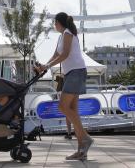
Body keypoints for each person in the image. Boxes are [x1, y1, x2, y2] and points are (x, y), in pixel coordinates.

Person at [35, 13, 93, 161]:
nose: (54, 25)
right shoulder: (61, 36)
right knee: (73, 111)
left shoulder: (68, 33)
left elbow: (65, 54)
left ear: (60, 23)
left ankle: (86, 138)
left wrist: (47, 65)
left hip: (76, 72)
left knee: (62, 107)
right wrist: (44, 66)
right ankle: (82, 151)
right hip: (71, 73)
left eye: (55, 23)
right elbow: (56, 54)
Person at [54, 73, 73, 140]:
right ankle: (71, 133)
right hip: (70, 103)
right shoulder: (69, 86)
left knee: (69, 118)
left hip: (66, 106)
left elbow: (60, 100)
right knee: (72, 117)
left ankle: (70, 133)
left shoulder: (60, 90)